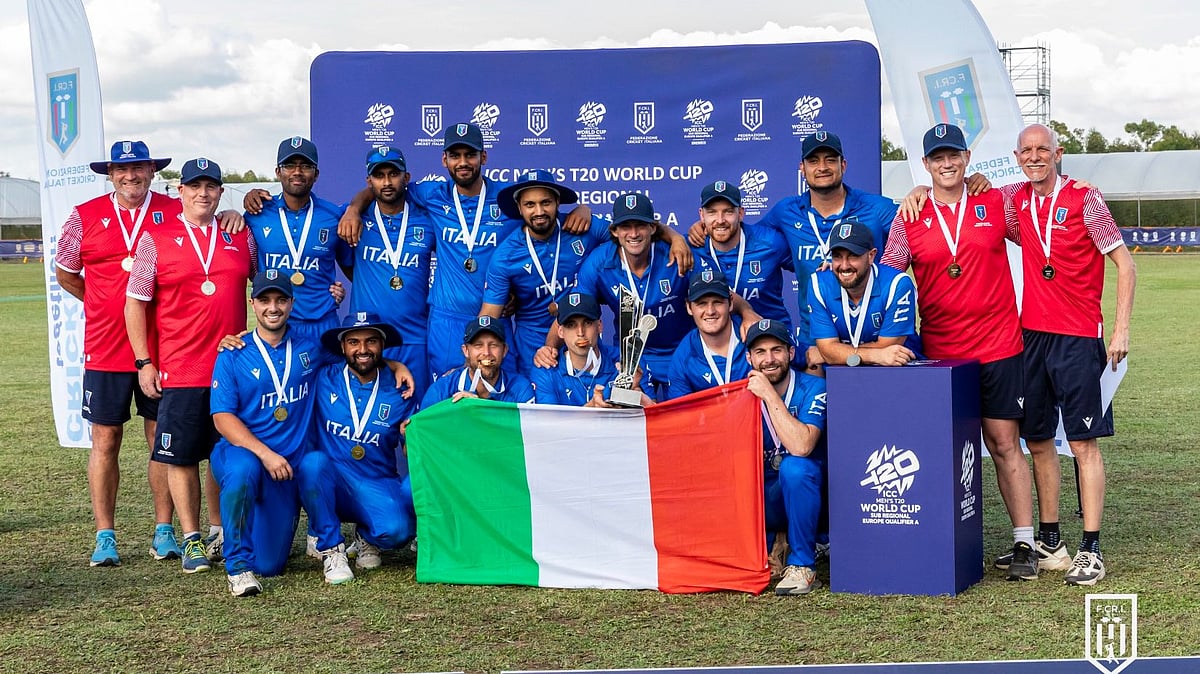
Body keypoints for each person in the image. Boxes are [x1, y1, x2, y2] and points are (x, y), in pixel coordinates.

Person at [880, 124, 1039, 581]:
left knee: (1005, 443)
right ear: (926, 164)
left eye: (954, 155)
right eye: (937, 158)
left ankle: (1024, 542)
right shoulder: (909, 215)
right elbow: (890, 279)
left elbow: (1039, 218)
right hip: (942, 354)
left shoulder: (996, 201)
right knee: (944, 449)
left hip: (999, 345)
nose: (947, 164)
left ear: (968, 158)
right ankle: (941, 537)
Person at [340, 124, 593, 379]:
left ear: (483, 157)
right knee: (450, 398)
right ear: (444, 160)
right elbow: (384, 189)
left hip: (496, 317)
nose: (463, 162)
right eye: (455, 155)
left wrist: (583, 210)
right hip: (447, 320)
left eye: (470, 155)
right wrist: (353, 208)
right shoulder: (432, 194)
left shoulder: (507, 199)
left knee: (499, 398)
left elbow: (543, 217)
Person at [1001, 123, 1136, 585]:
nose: (1035, 157)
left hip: (1079, 337)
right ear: (1017, 157)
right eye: (1027, 151)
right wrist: (921, 186)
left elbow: (1126, 264)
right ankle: (1052, 542)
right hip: (1031, 337)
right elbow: (965, 195)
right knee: (1037, 440)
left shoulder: (1084, 198)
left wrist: (1119, 330)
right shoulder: (1015, 199)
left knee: (1082, 444)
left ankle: (1092, 547)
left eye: (1043, 149)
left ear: (1058, 153)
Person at [125, 158, 255, 574]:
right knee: (180, 457)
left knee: (222, 452)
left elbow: (269, 290)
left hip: (230, 369)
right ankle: (192, 538)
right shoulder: (155, 238)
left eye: (211, 187)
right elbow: (135, 304)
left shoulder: (240, 236)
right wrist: (144, 362)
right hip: (179, 368)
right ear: (179, 191)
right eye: (194, 186)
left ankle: (219, 532)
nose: (203, 193)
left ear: (220, 193)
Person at [55, 140, 179, 566]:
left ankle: (164, 530)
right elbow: (66, 272)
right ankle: (105, 536)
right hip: (105, 348)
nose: (132, 176)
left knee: (159, 439)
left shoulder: (174, 210)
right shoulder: (84, 216)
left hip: (162, 347)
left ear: (151, 171)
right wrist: (101, 304)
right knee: (105, 439)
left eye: (140, 167)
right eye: (122, 169)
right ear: (110, 174)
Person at [573, 193, 752, 400]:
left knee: (681, 419)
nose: (633, 233)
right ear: (614, 231)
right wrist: (550, 346)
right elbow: (578, 309)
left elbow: (716, 292)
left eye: (640, 225)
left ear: (653, 228)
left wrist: (747, 311)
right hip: (632, 358)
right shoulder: (599, 263)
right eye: (626, 226)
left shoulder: (677, 253)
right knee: (635, 416)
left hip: (680, 352)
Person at [306, 312, 418, 572]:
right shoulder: (323, 377)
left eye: (371, 341)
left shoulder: (402, 391)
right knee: (312, 465)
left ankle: (366, 536)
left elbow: (411, 448)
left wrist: (408, 438)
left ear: (382, 345)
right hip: (332, 478)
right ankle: (331, 547)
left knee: (398, 531)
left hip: (375, 480)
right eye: (354, 342)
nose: (363, 349)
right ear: (343, 347)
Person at [479, 170, 618, 374]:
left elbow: (631, 234)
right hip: (533, 344)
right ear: (519, 207)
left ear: (557, 202)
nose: (539, 211)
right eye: (530, 205)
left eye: (546, 202)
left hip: (581, 333)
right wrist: (467, 365)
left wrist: (674, 239)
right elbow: (489, 317)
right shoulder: (505, 257)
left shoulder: (582, 226)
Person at [743, 319, 828, 596]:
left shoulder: (813, 387)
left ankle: (802, 564)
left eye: (777, 350)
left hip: (804, 495)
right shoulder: (738, 393)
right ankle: (754, 550)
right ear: (749, 358)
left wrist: (769, 396)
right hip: (758, 499)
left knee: (795, 467)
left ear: (791, 353)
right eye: (760, 352)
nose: (769, 359)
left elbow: (802, 445)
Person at [242, 137, 353, 344]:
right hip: (277, 324)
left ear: (316, 174)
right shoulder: (256, 214)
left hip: (323, 323)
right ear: (278, 172)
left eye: (306, 166)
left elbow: (353, 269)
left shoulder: (333, 216)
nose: (297, 172)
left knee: (327, 376)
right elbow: (242, 267)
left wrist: (338, 291)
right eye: (289, 165)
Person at [346, 146, 434, 394]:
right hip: (368, 339)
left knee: (413, 417)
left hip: (414, 338)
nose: (386, 182)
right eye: (379, 175)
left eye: (393, 174)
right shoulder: (354, 219)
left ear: (406, 178)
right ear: (369, 181)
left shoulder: (426, 220)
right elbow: (345, 262)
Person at [807, 219, 922, 367]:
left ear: (871, 256)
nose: (844, 265)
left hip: (900, 370)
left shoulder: (897, 284)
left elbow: (889, 349)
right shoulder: (819, 284)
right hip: (842, 374)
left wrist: (836, 353)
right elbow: (829, 351)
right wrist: (876, 354)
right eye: (837, 256)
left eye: (853, 255)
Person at [691, 180, 792, 328]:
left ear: (741, 213)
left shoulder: (771, 243)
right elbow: (649, 231)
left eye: (728, 211)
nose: (720, 220)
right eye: (712, 212)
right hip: (720, 342)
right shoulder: (690, 247)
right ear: (701, 215)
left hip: (771, 339)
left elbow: (806, 269)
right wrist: (672, 235)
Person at [530, 292, 630, 407]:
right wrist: (591, 408)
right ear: (560, 331)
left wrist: (630, 392)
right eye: (571, 325)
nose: (580, 333)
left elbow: (650, 416)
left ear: (599, 326)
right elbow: (547, 423)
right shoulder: (546, 371)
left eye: (587, 323)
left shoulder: (627, 361)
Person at [666, 270, 750, 399]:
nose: (710, 311)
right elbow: (681, 413)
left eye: (717, 302)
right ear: (689, 307)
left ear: (731, 303)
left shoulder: (754, 337)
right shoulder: (683, 357)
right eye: (701, 304)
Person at [420, 317, 536, 407]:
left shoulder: (520, 388)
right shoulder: (440, 390)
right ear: (465, 350)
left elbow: (528, 434)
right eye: (478, 345)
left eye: (493, 345)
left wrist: (479, 408)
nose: (486, 352)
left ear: (505, 350)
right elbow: (423, 432)